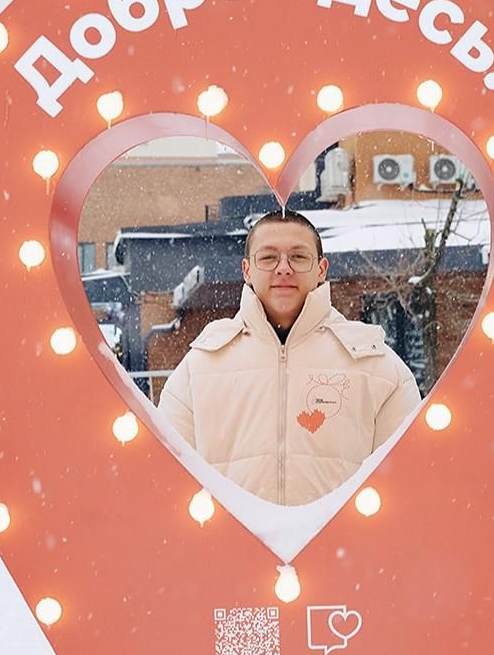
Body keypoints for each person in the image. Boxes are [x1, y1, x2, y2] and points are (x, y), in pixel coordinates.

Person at [158, 209, 422, 505]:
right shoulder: (199, 368)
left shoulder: (377, 367)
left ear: (321, 269)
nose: (283, 268)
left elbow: (409, 480)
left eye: (298, 257)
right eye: (268, 257)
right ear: (247, 270)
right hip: (228, 536)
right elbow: (167, 481)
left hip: (344, 536)